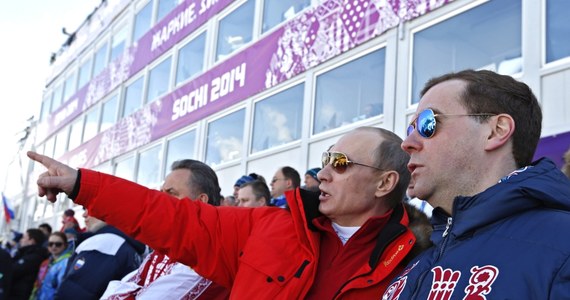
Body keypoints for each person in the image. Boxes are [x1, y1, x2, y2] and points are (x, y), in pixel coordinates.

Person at [28, 126, 432, 298]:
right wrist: (83, 184)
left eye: (340, 163)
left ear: (385, 184)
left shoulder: (421, 268)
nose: (324, 173)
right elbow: (173, 217)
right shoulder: (269, 226)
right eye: (326, 160)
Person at [381, 69, 570, 299]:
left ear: (495, 131)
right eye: (411, 129)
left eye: (427, 124)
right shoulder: (417, 264)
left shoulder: (561, 246)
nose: (407, 143)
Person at [101, 159, 230, 299]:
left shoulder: (209, 251)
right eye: (160, 192)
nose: (160, 199)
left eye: (171, 193)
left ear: (200, 201)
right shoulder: (167, 245)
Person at [55, 209, 145, 299]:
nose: (84, 214)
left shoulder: (103, 244)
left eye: (90, 208)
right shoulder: (127, 246)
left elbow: (76, 294)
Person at [29, 232, 71, 300]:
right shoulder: (45, 262)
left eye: (58, 244)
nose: (53, 246)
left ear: (65, 245)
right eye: (50, 244)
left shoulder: (67, 262)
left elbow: (62, 289)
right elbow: (37, 285)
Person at [9, 228, 49, 300]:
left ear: (32, 241)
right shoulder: (26, 253)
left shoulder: (33, 257)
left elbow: (12, 272)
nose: (21, 240)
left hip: (19, 295)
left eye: (24, 237)